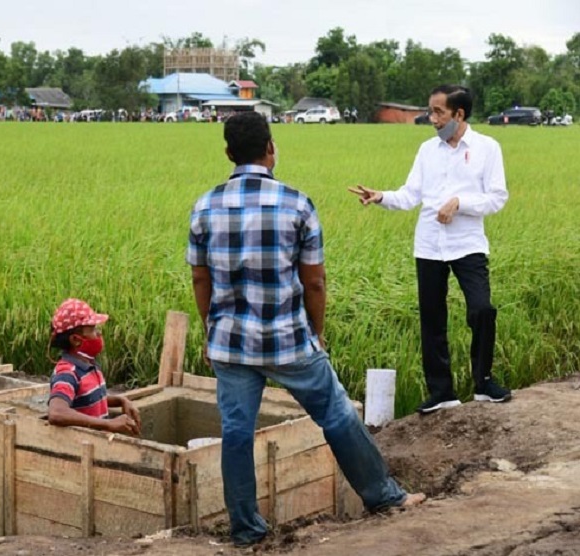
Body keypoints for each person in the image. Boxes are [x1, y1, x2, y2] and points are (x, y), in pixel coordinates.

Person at [187, 111, 425, 548]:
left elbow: (201, 279)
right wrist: (316, 333)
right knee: (335, 414)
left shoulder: (205, 205)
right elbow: (314, 280)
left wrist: (211, 329)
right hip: (289, 340)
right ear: (271, 149)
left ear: (228, 153)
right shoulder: (297, 203)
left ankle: (246, 531)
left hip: (231, 344)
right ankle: (384, 498)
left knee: (236, 432)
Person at [348, 84, 512, 415]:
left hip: (468, 245)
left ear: (459, 114)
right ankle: (442, 392)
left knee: (481, 309)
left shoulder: (486, 148)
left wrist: (459, 203)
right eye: (430, 111)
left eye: (438, 112)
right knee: (432, 319)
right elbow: (411, 194)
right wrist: (381, 196)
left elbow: (497, 196)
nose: (431, 118)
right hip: (429, 245)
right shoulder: (427, 150)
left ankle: (484, 382)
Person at [47, 298, 141, 435]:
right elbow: (56, 412)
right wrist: (109, 424)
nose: (99, 333)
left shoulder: (88, 364)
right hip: (82, 448)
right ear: (75, 340)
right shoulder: (67, 372)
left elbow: (90, 398)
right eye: (93, 329)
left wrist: (121, 400)